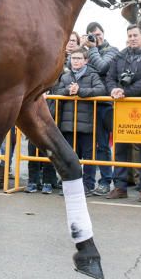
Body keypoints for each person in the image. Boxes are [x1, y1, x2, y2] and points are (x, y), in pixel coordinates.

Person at [105, 25, 141, 201]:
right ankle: (120, 186)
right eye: (129, 35)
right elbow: (109, 77)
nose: (132, 38)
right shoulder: (120, 55)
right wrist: (114, 89)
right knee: (120, 147)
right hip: (122, 107)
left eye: (135, 35)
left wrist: (125, 92)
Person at [50, 48, 107, 195]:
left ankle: (88, 185)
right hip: (68, 125)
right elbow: (57, 92)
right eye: (74, 58)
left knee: (88, 158)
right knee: (69, 158)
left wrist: (81, 91)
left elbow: (101, 90)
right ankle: (69, 186)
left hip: (87, 125)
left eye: (79, 58)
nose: (75, 61)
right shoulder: (66, 76)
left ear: (86, 60)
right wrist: (69, 91)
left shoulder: (93, 75)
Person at [83, 21, 121, 195]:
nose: (96, 38)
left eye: (98, 35)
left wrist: (91, 49)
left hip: (104, 104)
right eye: (92, 35)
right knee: (87, 146)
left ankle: (106, 181)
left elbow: (103, 67)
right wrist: (83, 48)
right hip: (85, 103)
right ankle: (87, 183)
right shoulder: (85, 51)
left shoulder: (112, 50)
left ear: (103, 34)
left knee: (103, 145)